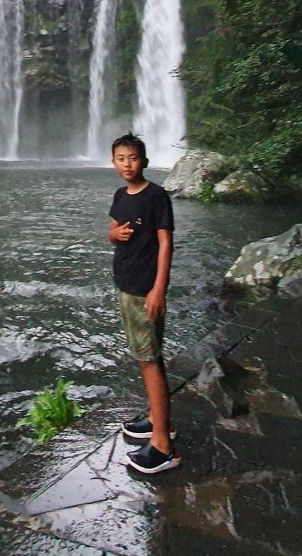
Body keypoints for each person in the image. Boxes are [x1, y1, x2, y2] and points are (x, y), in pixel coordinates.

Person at [107, 132, 181, 474]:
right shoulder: (121, 195)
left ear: (145, 161)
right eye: (121, 158)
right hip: (125, 284)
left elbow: (165, 244)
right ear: (113, 162)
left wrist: (158, 289)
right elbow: (113, 229)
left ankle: (163, 444)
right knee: (144, 355)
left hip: (144, 289)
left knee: (149, 360)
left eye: (133, 158)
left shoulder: (156, 197)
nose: (127, 164)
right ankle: (155, 418)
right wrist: (113, 235)